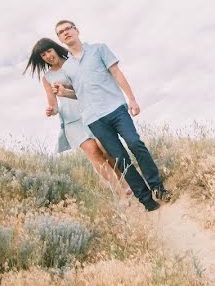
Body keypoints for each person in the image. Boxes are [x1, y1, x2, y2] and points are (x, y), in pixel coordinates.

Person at [52, 19, 173, 212]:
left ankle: (157, 187)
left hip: (116, 108)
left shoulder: (99, 49)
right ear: (60, 38)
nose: (65, 33)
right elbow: (80, 92)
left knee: (135, 144)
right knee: (120, 157)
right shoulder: (67, 68)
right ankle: (146, 199)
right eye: (61, 32)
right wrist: (63, 93)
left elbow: (116, 73)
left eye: (68, 29)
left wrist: (132, 99)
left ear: (77, 30)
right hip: (93, 118)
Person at [24, 37, 132, 198]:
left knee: (104, 147)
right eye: (43, 55)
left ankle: (125, 183)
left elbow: (86, 88)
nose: (47, 56)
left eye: (48, 51)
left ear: (54, 49)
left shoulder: (73, 63)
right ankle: (121, 195)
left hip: (91, 113)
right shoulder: (47, 78)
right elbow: (53, 104)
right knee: (93, 153)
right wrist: (51, 110)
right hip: (71, 121)